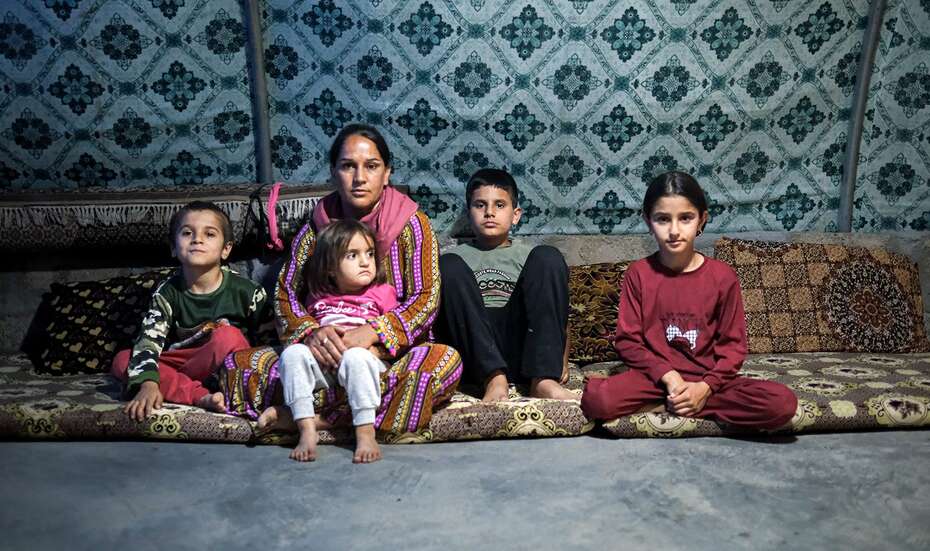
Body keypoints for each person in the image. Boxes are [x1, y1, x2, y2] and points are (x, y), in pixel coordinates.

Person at [221, 123, 462, 455]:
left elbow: (426, 298)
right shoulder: (317, 229)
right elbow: (286, 293)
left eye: (371, 166)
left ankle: (313, 417)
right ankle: (354, 414)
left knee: (442, 363)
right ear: (334, 172)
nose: (359, 177)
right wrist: (312, 334)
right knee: (238, 366)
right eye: (348, 166)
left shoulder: (411, 225)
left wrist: (374, 333)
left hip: (386, 358)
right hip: (322, 355)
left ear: (387, 173)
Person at [581, 171, 797, 429]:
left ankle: (680, 404)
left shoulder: (722, 276)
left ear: (702, 219)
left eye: (685, 218)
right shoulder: (638, 274)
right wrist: (669, 376)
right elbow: (628, 342)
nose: (674, 231)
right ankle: (677, 401)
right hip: (654, 379)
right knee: (597, 400)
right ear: (648, 222)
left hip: (705, 379)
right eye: (663, 219)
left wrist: (705, 388)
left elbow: (733, 348)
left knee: (781, 403)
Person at [112, 201, 270, 422]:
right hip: (184, 365)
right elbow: (149, 340)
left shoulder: (249, 292)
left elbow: (268, 344)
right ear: (174, 248)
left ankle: (199, 389)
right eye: (187, 233)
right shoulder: (167, 293)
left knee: (228, 336)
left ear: (226, 249)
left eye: (210, 234)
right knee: (123, 359)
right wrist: (148, 383)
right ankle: (200, 397)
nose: (197, 239)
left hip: (228, 369)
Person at [437, 168, 575, 402]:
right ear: (469, 213)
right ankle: (494, 378)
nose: (489, 212)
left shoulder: (531, 256)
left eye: (499, 205)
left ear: (515, 215)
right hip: (476, 352)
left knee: (549, 256)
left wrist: (559, 358)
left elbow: (555, 314)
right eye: (480, 205)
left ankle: (542, 379)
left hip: (524, 350)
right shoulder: (456, 259)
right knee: (446, 264)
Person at [277, 219, 396, 463]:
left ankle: (364, 431)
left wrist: (377, 349)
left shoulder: (382, 292)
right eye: (352, 255)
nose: (365, 262)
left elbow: (396, 331)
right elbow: (307, 331)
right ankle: (307, 429)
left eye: (369, 253)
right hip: (326, 366)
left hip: (364, 362)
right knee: (292, 354)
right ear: (330, 268)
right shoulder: (318, 297)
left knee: (356, 356)